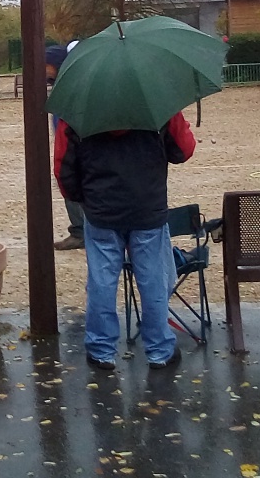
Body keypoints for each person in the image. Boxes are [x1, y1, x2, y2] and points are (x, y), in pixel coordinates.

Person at [56, 110, 196, 372]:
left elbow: (63, 167)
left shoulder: (77, 109)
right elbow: (183, 150)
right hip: (147, 207)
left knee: (101, 281)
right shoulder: (156, 104)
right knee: (153, 279)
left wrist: (83, 197)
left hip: (101, 209)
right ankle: (159, 350)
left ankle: (101, 350)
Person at [46, 44, 85, 250]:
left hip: (75, 145)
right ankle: (80, 229)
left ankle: (81, 230)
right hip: (65, 142)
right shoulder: (60, 84)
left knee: (72, 183)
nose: (44, 70)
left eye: (47, 65)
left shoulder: (72, 84)